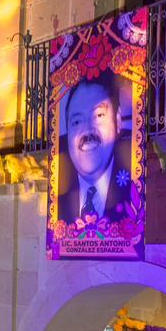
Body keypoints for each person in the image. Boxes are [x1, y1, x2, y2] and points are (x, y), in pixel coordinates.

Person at [56, 73, 133, 225]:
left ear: (117, 121)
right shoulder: (57, 199)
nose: (87, 130)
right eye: (76, 122)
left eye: (98, 115)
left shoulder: (135, 189)